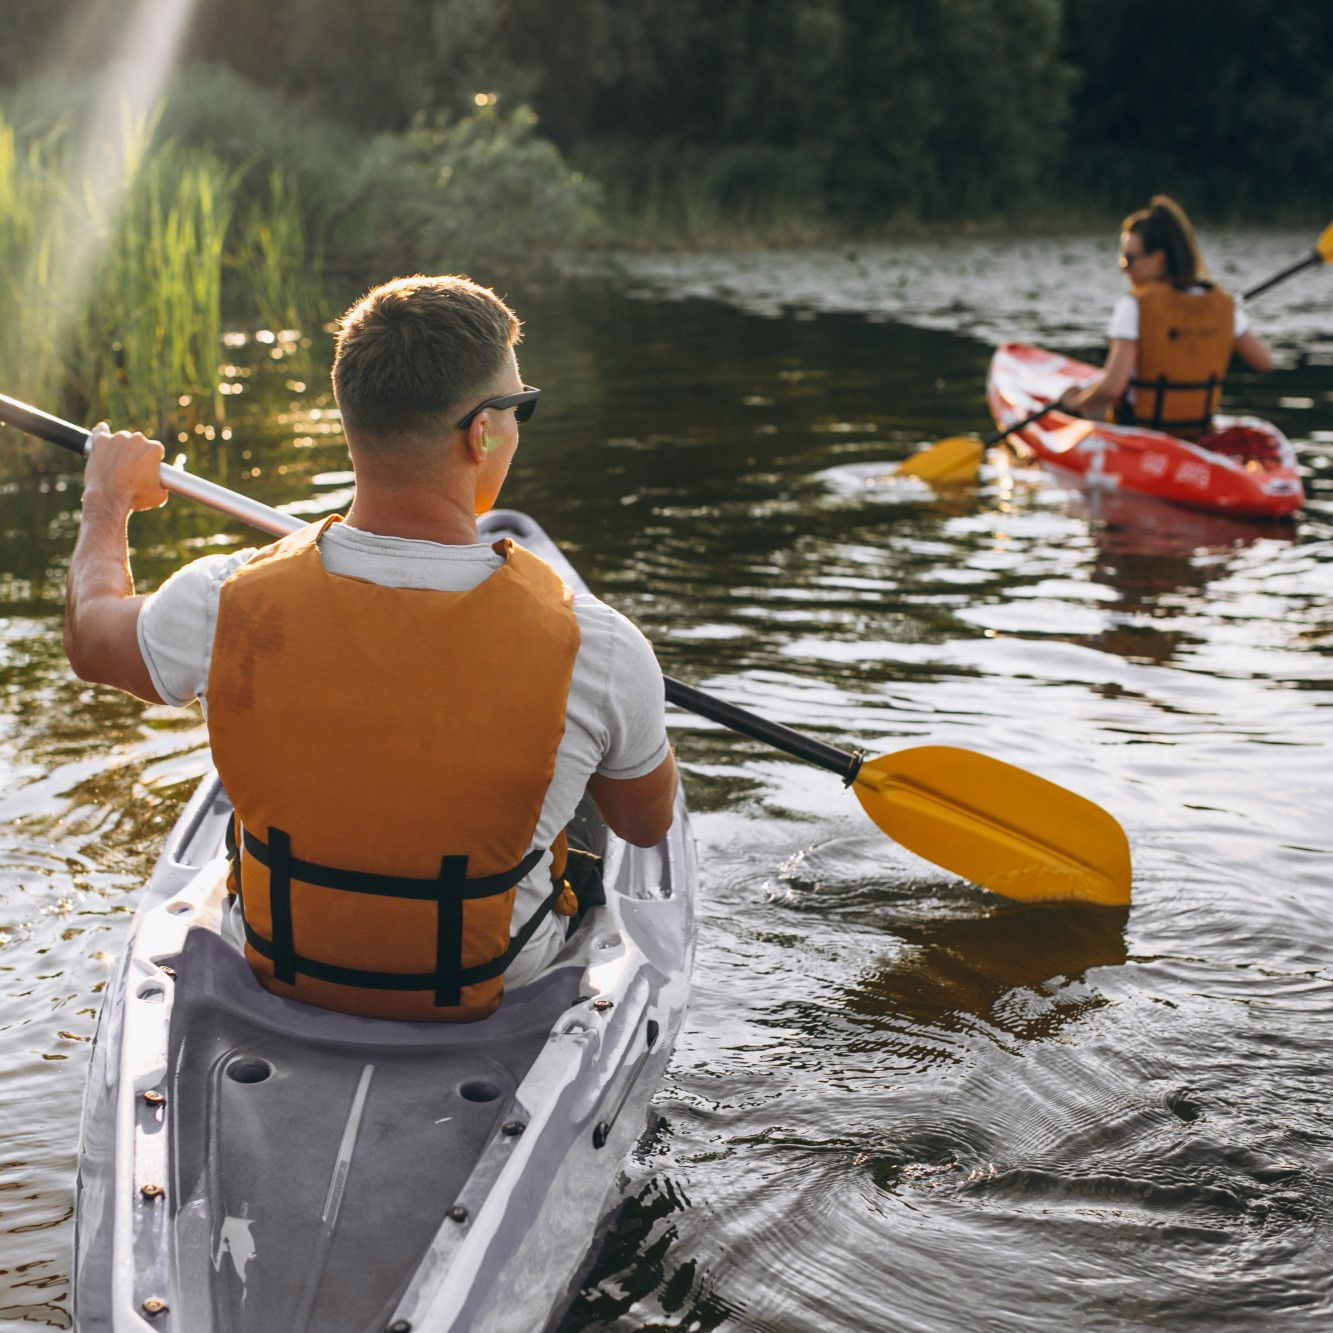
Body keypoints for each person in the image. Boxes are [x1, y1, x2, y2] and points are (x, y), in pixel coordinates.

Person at [62, 273, 678, 1021]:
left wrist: (107, 501)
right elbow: (645, 826)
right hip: (495, 987)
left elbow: (91, 637)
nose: (518, 424)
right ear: (482, 430)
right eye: (520, 408)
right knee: (591, 779)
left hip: (278, 967)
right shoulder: (598, 645)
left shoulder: (223, 598)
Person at [1057, 195, 1272, 436]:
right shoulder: (1222, 304)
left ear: (1158, 259)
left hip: (1142, 436)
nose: (1124, 268)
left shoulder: (1135, 305)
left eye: (1129, 259)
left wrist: (1074, 404)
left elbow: (1112, 389)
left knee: (1085, 406)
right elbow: (1263, 361)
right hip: (1197, 432)